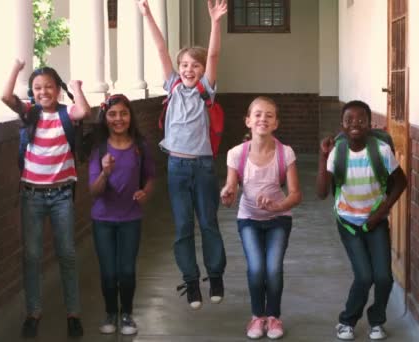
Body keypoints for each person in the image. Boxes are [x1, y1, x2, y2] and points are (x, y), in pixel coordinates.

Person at [138, 0, 228, 309]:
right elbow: (161, 49)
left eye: (196, 65)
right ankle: (191, 281)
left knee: (208, 222)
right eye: (185, 64)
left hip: (203, 167)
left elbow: (214, 53)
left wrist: (215, 22)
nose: (189, 69)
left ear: (203, 71)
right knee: (182, 227)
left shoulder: (205, 90)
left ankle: (214, 275)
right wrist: (148, 15)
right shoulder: (173, 86)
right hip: (176, 166)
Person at [1, 59, 91, 338]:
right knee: (32, 256)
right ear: (32, 92)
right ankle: (34, 312)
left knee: (66, 254)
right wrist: (15, 68)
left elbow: (84, 111)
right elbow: (6, 97)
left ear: (57, 90)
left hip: (62, 195)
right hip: (32, 196)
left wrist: (76, 87)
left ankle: (73, 313)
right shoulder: (30, 114)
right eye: (37, 88)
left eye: (49, 87)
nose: (43, 92)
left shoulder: (66, 114)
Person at [315, 100, 408, 341]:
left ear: (370, 124)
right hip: (348, 222)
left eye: (361, 120)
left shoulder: (381, 151)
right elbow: (322, 192)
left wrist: (382, 211)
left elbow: (401, 182)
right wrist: (323, 157)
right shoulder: (338, 152)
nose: (355, 123)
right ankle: (346, 321)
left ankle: (377, 321)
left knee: (384, 277)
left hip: (375, 221)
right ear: (342, 126)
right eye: (349, 120)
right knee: (365, 276)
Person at [221, 97, 302, 340]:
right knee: (256, 268)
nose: (262, 119)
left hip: (279, 220)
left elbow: (296, 194)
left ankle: (273, 316)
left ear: (276, 123)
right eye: (257, 114)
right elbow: (230, 190)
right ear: (248, 121)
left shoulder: (285, 153)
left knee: (273, 269)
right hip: (248, 219)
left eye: (269, 115)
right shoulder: (236, 154)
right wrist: (227, 195)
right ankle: (257, 317)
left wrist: (277, 205)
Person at [88, 94, 156, 335]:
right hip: (103, 220)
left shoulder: (140, 146)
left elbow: (150, 177)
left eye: (124, 113)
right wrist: (105, 173)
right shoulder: (99, 150)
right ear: (105, 118)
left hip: (130, 219)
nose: (119, 119)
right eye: (113, 114)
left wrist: (145, 192)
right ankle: (110, 313)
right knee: (108, 271)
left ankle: (126, 314)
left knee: (126, 270)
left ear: (130, 116)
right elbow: (94, 192)